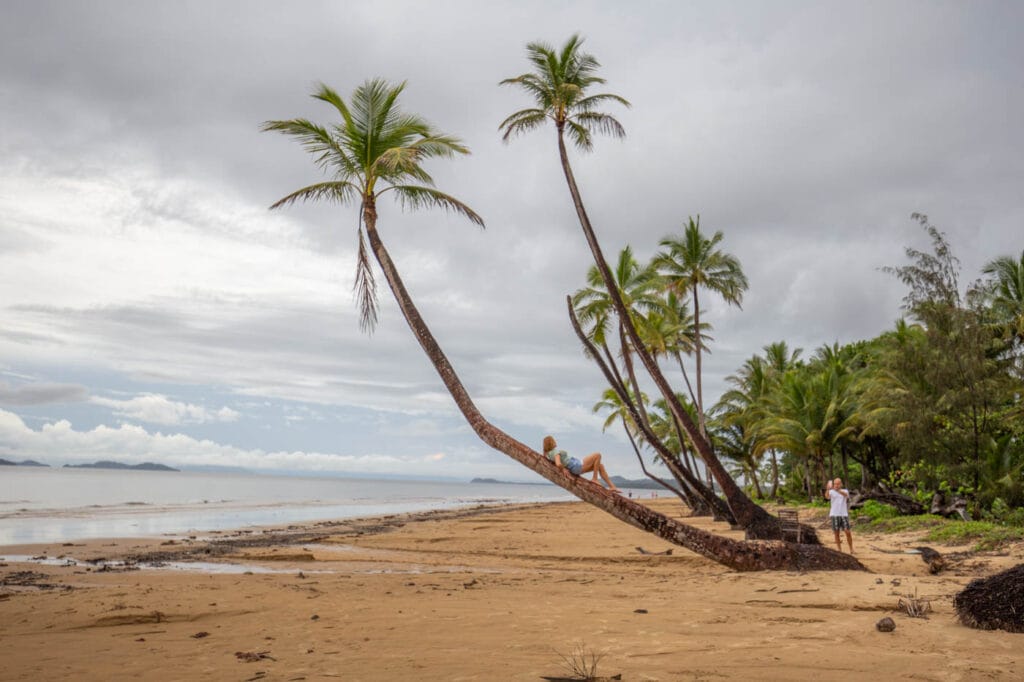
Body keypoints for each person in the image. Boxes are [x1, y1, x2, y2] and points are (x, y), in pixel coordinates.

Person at [542, 435, 619, 492]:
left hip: (575, 466)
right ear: (552, 442)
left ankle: (612, 487)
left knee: (600, 465)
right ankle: (595, 479)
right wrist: (563, 469)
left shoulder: (549, 454)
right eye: (553, 440)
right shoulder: (555, 452)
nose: (555, 441)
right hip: (576, 466)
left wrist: (564, 468)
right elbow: (558, 463)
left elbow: (548, 458)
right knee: (598, 455)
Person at [825, 477, 854, 553]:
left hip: (843, 514)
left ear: (841, 484)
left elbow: (845, 495)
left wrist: (837, 490)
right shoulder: (831, 491)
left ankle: (851, 549)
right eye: (835, 484)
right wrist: (828, 489)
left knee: (847, 532)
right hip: (834, 514)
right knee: (836, 533)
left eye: (838, 484)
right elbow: (827, 497)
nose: (836, 485)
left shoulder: (845, 491)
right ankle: (839, 549)